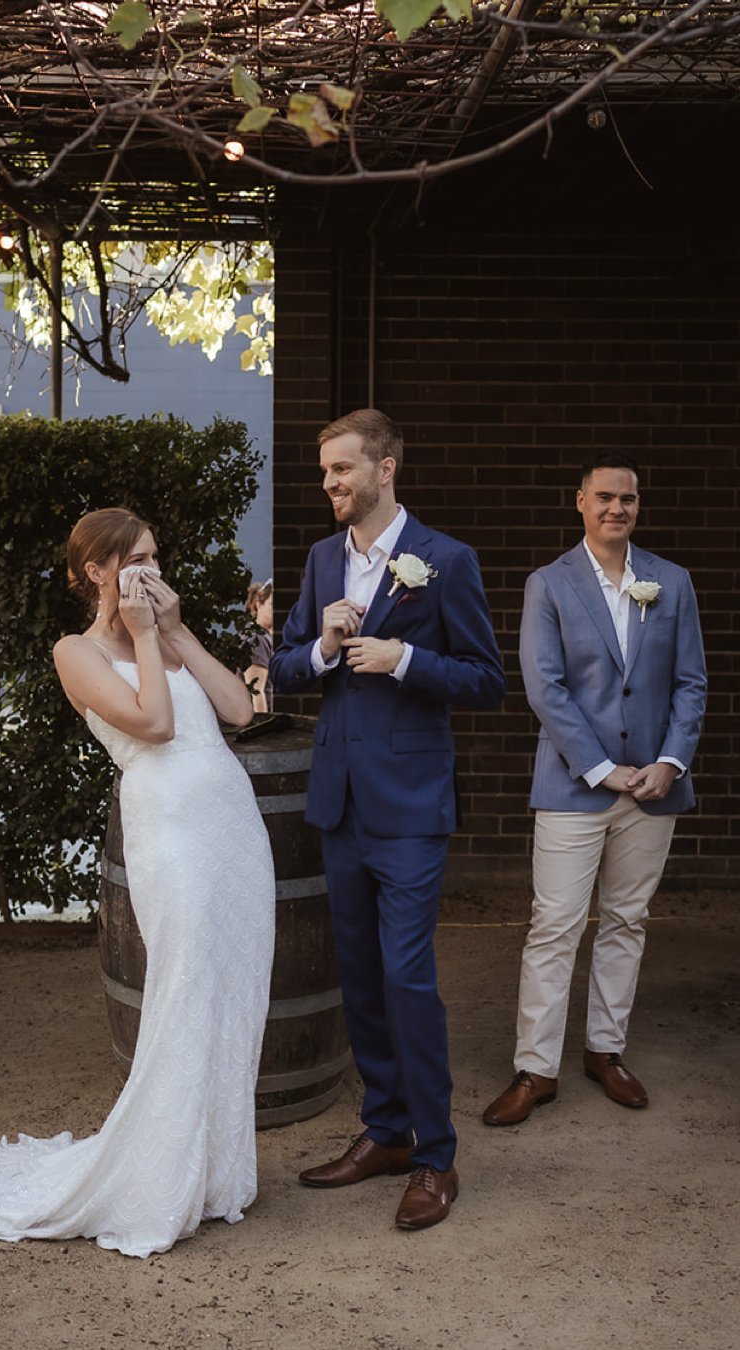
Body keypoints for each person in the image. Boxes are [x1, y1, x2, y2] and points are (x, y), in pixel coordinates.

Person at [0, 507, 276, 1259]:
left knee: (235, 990)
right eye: (134, 560)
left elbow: (241, 709)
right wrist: (144, 636)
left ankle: (215, 1173)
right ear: (96, 572)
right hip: (172, 834)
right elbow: (154, 725)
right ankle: (156, 1182)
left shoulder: (167, 633)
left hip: (233, 828)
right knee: (181, 993)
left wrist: (174, 631)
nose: (150, 570)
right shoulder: (74, 652)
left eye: (155, 555)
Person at [270, 408, 505, 1230]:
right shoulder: (321, 559)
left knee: (407, 978)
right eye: (325, 472)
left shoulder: (446, 561)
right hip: (339, 804)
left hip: (410, 809)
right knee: (361, 980)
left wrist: (405, 659)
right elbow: (286, 670)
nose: (330, 484)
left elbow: (485, 680)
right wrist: (325, 648)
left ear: (385, 468)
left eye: (342, 469)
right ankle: (386, 1133)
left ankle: (436, 1157)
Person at [482, 455, 706, 1127]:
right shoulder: (549, 584)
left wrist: (670, 761)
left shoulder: (673, 581)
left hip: (655, 786)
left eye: (628, 498)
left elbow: (690, 683)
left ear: (638, 506)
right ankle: (536, 1068)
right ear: (579, 501)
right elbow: (543, 687)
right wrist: (604, 768)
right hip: (574, 784)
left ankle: (605, 1051)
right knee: (553, 926)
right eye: (605, 496)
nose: (617, 508)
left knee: (627, 922)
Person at [242, 578, 274, 713]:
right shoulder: (255, 638)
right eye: (273, 604)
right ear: (258, 605)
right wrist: (262, 730)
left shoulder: (266, 637)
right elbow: (256, 691)